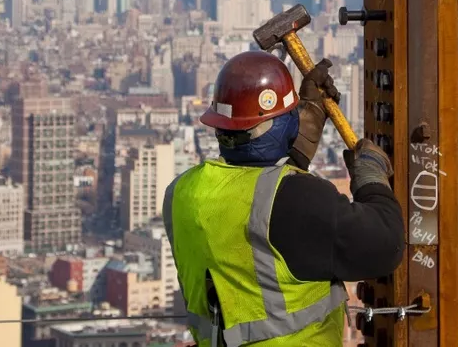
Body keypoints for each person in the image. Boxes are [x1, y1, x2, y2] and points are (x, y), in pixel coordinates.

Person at [163, 50, 404, 346]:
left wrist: (307, 120)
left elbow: (259, 202)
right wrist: (371, 178)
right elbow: (386, 244)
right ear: (286, 122)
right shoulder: (297, 199)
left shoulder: (181, 193)